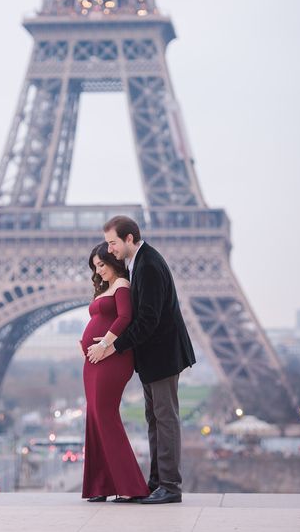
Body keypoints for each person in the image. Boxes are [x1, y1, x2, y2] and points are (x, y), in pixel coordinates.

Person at [87, 215, 196, 504]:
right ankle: (157, 481)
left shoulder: (147, 265)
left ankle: (170, 486)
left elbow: (147, 319)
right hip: (153, 357)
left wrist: (113, 346)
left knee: (165, 419)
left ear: (129, 239)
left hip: (162, 356)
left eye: (113, 243)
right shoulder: (139, 264)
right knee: (155, 419)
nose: (109, 250)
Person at [80, 242, 149, 503]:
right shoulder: (104, 288)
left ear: (114, 262)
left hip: (111, 358)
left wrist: (104, 344)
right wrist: (84, 345)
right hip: (93, 361)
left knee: (106, 417)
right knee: (95, 418)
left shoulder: (122, 285)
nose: (99, 271)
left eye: (102, 264)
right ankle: (101, 486)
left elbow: (124, 318)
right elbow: (97, 320)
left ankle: (130, 486)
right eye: (95, 267)